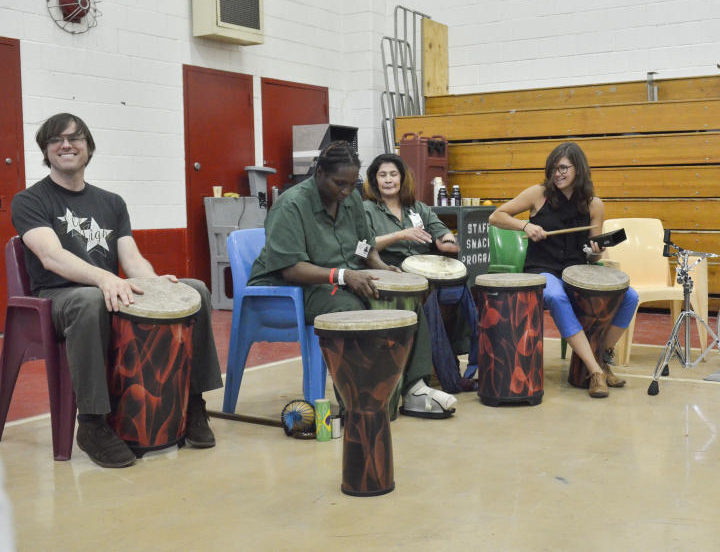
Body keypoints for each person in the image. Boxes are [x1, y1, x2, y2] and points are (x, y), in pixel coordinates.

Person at [10, 113, 222, 468]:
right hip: (59, 298)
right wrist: (105, 279)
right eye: (56, 140)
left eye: (75, 138)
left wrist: (157, 284)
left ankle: (194, 404)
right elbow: (51, 257)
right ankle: (92, 423)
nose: (66, 145)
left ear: (89, 149)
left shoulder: (111, 202)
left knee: (195, 290)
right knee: (90, 299)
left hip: (109, 291)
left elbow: (131, 258)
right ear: (46, 151)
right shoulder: (30, 200)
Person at [247, 142, 457, 418]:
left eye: (351, 184)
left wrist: (383, 270)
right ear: (319, 172)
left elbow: (364, 246)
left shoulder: (350, 199)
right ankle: (359, 401)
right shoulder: (292, 205)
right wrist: (344, 275)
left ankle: (414, 388)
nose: (345, 191)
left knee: (405, 303)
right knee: (350, 310)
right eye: (339, 184)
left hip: (338, 279)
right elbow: (291, 268)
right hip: (289, 287)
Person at [488, 142, 639, 398]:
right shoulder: (538, 194)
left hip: (577, 271)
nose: (557, 174)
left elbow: (594, 250)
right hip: (542, 270)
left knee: (630, 296)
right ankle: (595, 371)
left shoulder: (594, 205)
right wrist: (525, 226)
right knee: (556, 296)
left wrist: (596, 250)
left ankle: (602, 356)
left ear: (578, 169)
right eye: (553, 169)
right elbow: (496, 216)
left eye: (563, 168)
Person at [362, 154, 478, 377]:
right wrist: (400, 235)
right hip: (391, 272)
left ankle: (457, 355)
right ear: (374, 180)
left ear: (402, 178)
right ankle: (435, 364)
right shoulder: (366, 209)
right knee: (429, 295)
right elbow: (364, 245)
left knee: (462, 285)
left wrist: (447, 243)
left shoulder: (418, 208)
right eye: (382, 175)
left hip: (425, 271)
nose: (388, 180)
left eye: (393, 174)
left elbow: (441, 230)